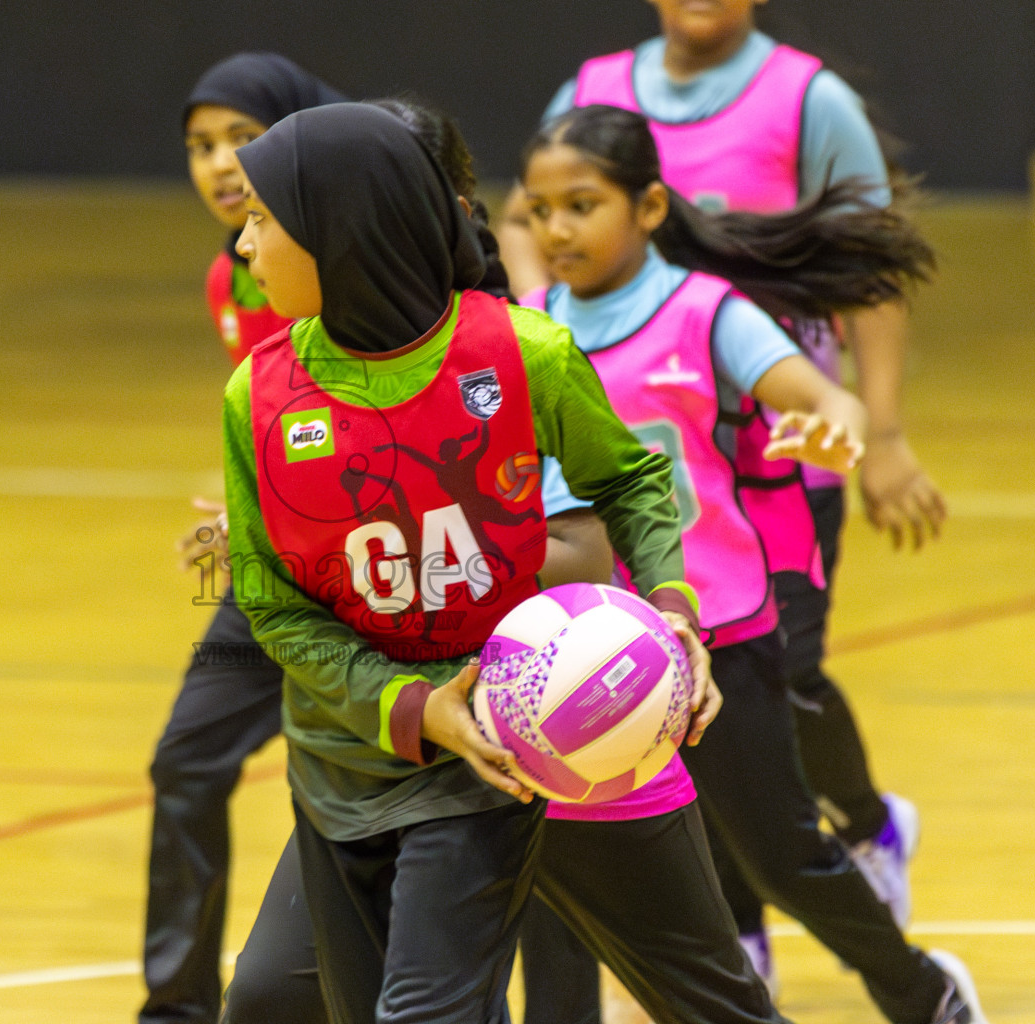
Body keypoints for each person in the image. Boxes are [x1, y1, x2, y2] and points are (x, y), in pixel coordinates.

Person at [225, 101, 712, 1024]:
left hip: (487, 754)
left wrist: (673, 609)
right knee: (285, 1002)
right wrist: (407, 706)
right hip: (340, 764)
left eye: (260, 218)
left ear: (340, 232)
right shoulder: (256, 392)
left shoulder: (522, 352)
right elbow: (268, 599)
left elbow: (631, 480)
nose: (242, 244)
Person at [495, 0, 948, 977]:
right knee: (665, 747)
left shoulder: (802, 101)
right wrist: (543, 303)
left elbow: (867, 274)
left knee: (780, 697)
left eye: (584, 208)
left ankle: (864, 828)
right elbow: (520, 224)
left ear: (650, 208)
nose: (559, 224)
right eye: (549, 210)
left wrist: (873, 432)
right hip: (631, 547)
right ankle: (737, 944)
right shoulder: (591, 97)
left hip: (769, 473)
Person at [139, 52, 345, 1024]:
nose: (220, 164)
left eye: (243, 139)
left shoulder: (348, 262)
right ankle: (175, 1009)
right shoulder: (231, 276)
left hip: (373, 574)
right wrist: (251, 506)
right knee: (186, 760)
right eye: (199, 146)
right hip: (274, 569)